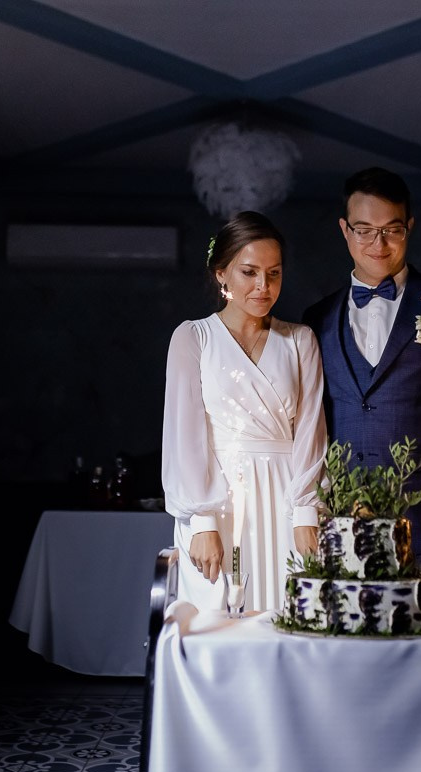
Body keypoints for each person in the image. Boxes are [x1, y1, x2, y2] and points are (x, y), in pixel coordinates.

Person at [302, 167, 421, 611]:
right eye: (364, 230)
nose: (379, 243)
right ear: (344, 230)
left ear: (409, 227)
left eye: (391, 229)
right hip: (343, 529)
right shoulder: (316, 318)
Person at [161, 210, 326, 613]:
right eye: (249, 272)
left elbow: (311, 431)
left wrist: (306, 512)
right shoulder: (193, 337)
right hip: (219, 505)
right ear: (222, 274)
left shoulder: (300, 339)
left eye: (274, 274)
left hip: (287, 500)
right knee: (219, 622)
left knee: (292, 617)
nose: (263, 286)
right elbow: (185, 436)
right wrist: (202, 521)